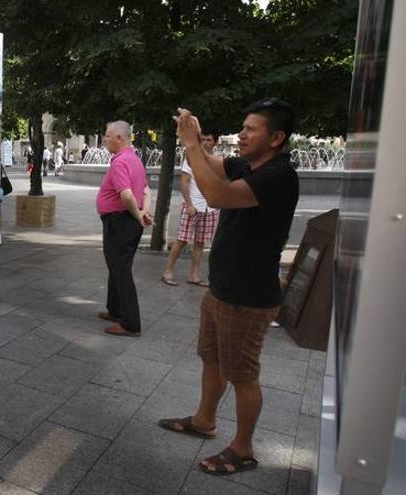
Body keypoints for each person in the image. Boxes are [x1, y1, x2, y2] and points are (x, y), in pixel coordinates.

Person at [159, 98, 299, 476]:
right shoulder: (248, 164)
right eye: (243, 126)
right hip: (222, 288)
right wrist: (194, 140)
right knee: (213, 358)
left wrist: (191, 144)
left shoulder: (278, 176)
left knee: (242, 373)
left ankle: (243, 448)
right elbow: (208, 168)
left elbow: (218, 195)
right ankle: (204, 420)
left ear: (276, 138)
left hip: (249, 297)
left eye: (251, 129)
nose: (242, 134)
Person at [96, 121, 152, 337]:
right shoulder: (135, 160)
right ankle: (115, 310)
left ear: (119, 137)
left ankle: (130, 323)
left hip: (120, 222)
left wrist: (139, 215)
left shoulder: (120, 162)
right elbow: (146, 190)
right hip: (127, 221)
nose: (105, 140)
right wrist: (144, 212)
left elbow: (126, 194)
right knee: (117, 266)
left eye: (108, 136)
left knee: (120, 269)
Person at [162, 131, 221, 286]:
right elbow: (184, 183)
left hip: (209, 209)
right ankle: (168, 271)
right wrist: (189, 204)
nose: (206, 143)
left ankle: (194, 275)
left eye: (209, 140)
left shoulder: (217, 161)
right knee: (181, 240)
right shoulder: (191, 159)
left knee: (200, 243)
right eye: (203, 140)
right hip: (193, 206)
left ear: (215, 142)